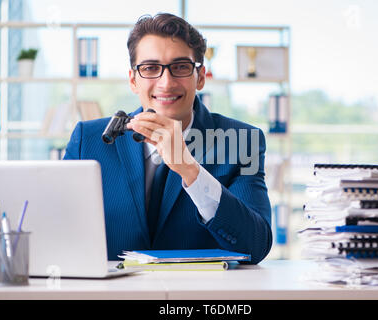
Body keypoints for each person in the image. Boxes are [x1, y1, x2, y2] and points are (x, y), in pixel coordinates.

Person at [64, 13, 272, 264]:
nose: (166, 82)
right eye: (150, 68)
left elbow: (256, 247)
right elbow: (57, 228)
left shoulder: (242, 141)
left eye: (181, 67)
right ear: (133, 80)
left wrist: (190, 170)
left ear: (201, 77)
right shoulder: (89, 140)